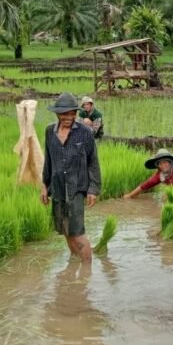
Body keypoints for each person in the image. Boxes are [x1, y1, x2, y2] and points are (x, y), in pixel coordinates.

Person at [41, 92, 102, 263]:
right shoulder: (49, 132)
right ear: (57, 114)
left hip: (76, 188)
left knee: (78, 233)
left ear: (76, 113)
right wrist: (44, 185)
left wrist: (93, 190)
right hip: (57, 187)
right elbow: (48, 160)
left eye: (71, 113)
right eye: (64, 113)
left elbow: (93, 162)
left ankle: (86, 273)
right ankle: (74, 262)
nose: (68, 117)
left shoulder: (85, 133)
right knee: (65, 230)